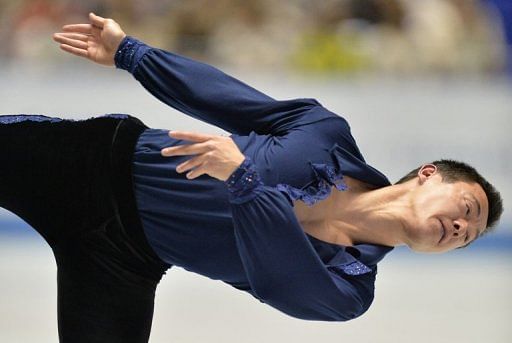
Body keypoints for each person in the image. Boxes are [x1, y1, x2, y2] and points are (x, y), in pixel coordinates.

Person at [0, 12, 502, 343]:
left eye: (468, 237)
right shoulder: (325, 134)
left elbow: (280, 274)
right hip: (92, 162)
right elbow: (224, 97)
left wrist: (244, 181)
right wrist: (134, 54)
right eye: (467, 209)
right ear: (429, 174)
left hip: (122, 261)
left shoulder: (350, 292)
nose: (461, 229)